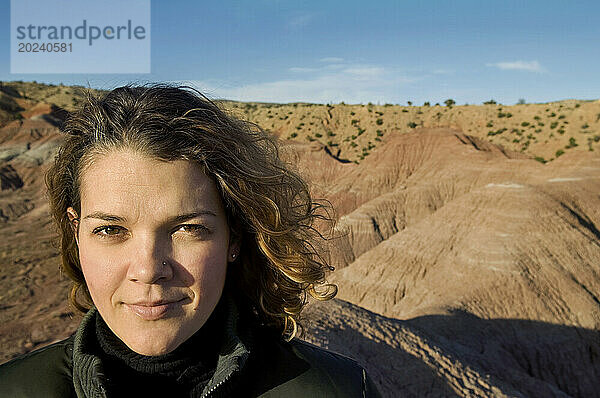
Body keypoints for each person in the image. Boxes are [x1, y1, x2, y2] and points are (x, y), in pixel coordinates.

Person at [0, 84, 381, 397]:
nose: (149, 269)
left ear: (235, 235)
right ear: (76, 234)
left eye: (186, 229)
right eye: (110, 230)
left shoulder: (338, 391)